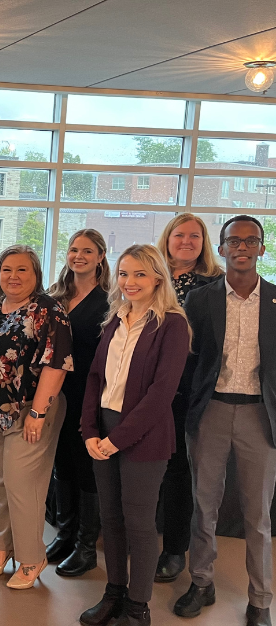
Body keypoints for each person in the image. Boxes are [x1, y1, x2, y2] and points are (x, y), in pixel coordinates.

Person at [78, 244, 190, 626]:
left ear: (158, 276)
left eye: (140, 274)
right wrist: (90, 430)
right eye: (124, 274)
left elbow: (162, 393)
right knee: (111, 519)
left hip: (145, 436)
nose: (129, 282)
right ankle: (114, 594)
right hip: (104, 430)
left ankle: (138, 608)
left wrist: (116, 439)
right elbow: (95, 377)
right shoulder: (115, 319)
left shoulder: (172, 323)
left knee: (139, 522)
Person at [175, 216, 276, 626]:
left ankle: (261, 599)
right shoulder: (200, 299)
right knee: (205, 504)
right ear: (220, 249)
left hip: (260, 416)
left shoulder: (274, 301)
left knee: (258, 514)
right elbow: (187, 361)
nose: (242, 247)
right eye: (234, 241)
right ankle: (202, 582)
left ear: (262, 249)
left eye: (251, 241)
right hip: (210, 411)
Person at [0, 245, 73, 589]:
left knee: (21, 485)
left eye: (22, 270)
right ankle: (3, 549)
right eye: (6, 270)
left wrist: (39, 413)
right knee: (1, 484)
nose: (13, 277)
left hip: (31, 410)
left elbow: (56, 363)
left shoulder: (48, 309)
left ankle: (31, 557)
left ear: (36, 274)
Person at [153, 213, 222, 583]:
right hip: (145, 388)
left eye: (194, 236)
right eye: (179, 235)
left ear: (203, 242)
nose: (186, 241)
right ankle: (142, 538)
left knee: (178, 471)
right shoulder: (152, 277)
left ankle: (174, 549)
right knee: (145, 467)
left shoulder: (215, 283)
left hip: (187, 390)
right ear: (167, 239)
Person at [46, 229, 111, 577]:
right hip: (55, 394)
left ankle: (86, 546)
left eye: (88, 251)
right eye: (73, 250)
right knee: (62, 465)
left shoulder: (110, 301)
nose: (79, 256)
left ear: (101, 256)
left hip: (91, 395)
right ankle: (65, 534)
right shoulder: (54, 297)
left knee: (86, 469)